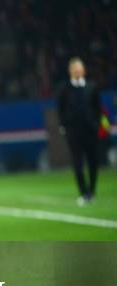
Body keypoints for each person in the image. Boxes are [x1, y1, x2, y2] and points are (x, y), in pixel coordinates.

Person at [56, 58, 102, 206]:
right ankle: (83, 192)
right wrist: (64, 125)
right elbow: (60, 109)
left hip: (90, 130)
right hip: (73, 131)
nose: (77, 71)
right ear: (70, 71)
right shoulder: (64, 88)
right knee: (77, 162)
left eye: (79, 68)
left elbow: (97, 108)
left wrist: (96, 125)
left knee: (93, 161)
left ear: (83, 70)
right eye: (74, 68)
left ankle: (92, 191)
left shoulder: (92, 86)